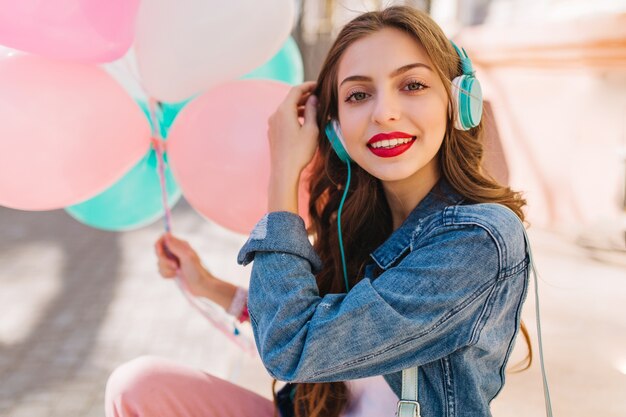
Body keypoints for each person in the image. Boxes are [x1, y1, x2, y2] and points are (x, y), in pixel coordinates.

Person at [105, 5, 533, 417]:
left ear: (460, 101)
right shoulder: (362, 223)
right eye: (359, 95)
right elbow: (319, 323)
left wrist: (283, 177)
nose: (384, 113)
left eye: (413, 85)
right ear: (336, 127)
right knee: (139, 387)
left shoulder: (481, 238)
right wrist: (210, 287)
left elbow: (293, 347)